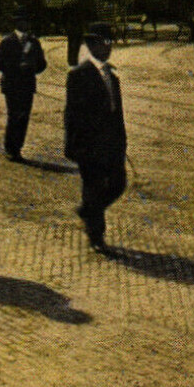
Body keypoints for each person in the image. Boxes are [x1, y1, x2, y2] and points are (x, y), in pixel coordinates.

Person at [64, 21, 127, 254]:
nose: (108, 48)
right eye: (103, 43)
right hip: (89, 146)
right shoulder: (79, 75)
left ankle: (88, 211)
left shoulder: (113, 75)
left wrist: (122, 142)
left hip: (111, 144)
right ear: (91, 45)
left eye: (110, 43)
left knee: (119, 184)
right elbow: (71, 114)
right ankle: (96, 236)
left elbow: (117, 113)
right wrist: (74, 147)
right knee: (94, 187)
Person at [0, 9, 49, 162]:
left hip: (27, 84)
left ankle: (17, 147)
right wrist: (17, 67)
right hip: (12, 84)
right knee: (14, 115)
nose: (25, 24)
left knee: (24, 116)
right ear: (16, 23)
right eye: (22, 21)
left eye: (27, 21)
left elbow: (42, 64)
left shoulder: (34, 42)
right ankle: (10, 148)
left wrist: (33, 67)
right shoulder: (7, 42)